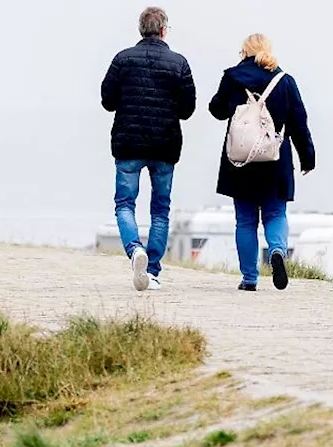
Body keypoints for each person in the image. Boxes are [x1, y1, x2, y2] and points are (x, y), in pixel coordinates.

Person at [209, 33, 316, 291]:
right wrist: (307, 157)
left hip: (242, 161)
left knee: (245, 220)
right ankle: (277, 251)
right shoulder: (285, 81)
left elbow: (216, 110)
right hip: (275, 160)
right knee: (275, 213)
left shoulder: (233, 78)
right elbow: (299, 123)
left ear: (244, 53)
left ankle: (249, 279)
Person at [101, 6, 196, 292]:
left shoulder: (122, 60)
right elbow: (188, 109)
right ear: (164, 30)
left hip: (128, 143)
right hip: (164, 144)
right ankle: (152, 270)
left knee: (125, 203)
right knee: (161, 209)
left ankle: (134, 250)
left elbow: (107, 100)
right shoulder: (178, 63)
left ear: (141, 29)